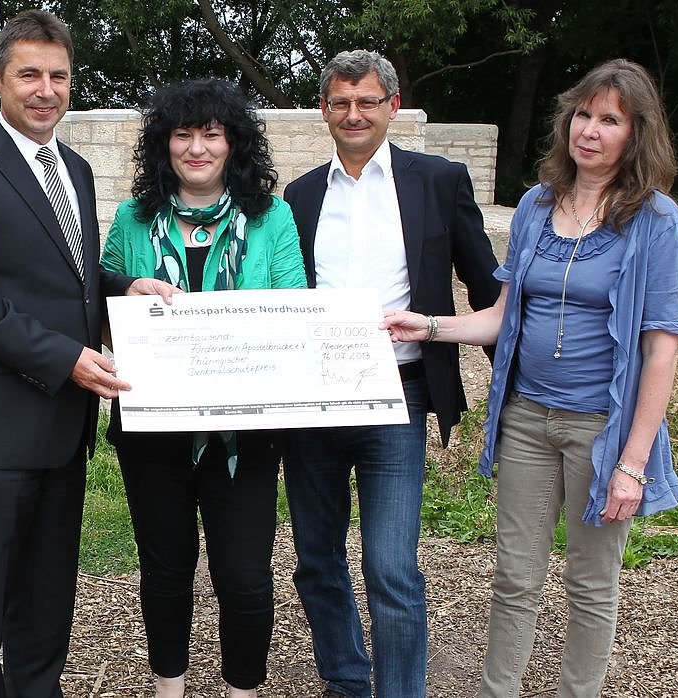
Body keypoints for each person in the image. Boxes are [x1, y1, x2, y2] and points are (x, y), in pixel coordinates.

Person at [381, 58, 678, 697]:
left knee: (591, 584)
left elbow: (661, 350)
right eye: (583, 114)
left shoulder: (656, 221)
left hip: (602, 429)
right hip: (526, 418)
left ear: (637, 134)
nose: (590, 130)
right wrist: (428, 326)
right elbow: (501, 316)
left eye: (610, 120)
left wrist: (633, 464)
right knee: (515, 579)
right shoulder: (535, 205)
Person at [0, 10, 176, 697]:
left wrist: (122, 288)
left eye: (58, 76)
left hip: (61, 424)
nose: (45, 89)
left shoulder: (75, 169)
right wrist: (65, 358)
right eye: (29, 74)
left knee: (47, 592)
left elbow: (66, 275)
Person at [281, 50, 501, 698]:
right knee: (316, 560)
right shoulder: (300, 195)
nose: (354, 114)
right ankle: (347, 681)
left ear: (392, 106)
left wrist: (512, 381)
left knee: (391, 568)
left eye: (368, 101)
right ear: (325, 110)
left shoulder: (438, 181)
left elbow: (486, 284)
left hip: (397, 396)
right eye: (341, 102)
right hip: (314, 401)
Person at [100, 78, 306, 698]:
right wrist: (126, 293)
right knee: (165, 571)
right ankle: (170, 688)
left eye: (211, 134)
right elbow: (101, 300)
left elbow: (294, 307)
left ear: (233, 143)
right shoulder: (132, 219)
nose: (196, 148)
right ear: (163, 144)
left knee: (245, 576)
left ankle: (243, 689)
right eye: (182, 134)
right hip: (153, 431)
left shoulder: (273, 218)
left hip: (245, 434)